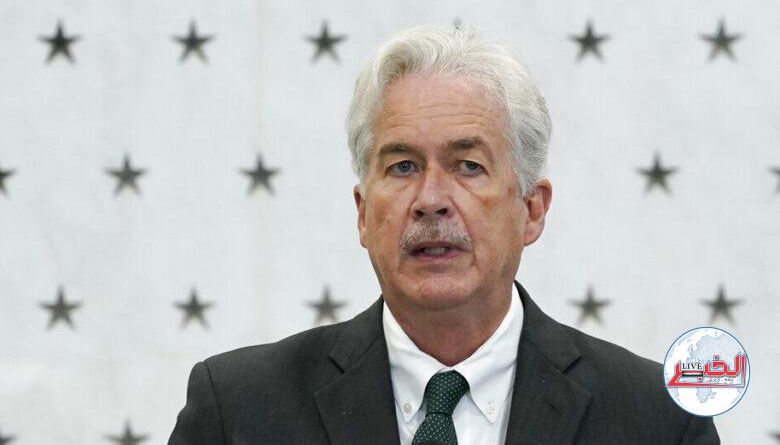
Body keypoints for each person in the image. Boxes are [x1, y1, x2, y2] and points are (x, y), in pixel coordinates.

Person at [168, 25, 719, 444]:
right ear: (363, 213)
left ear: (531, 210)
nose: (430, 199)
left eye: (468, 166)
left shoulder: (658, 419)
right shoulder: (237, 409)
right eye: (403, 166)